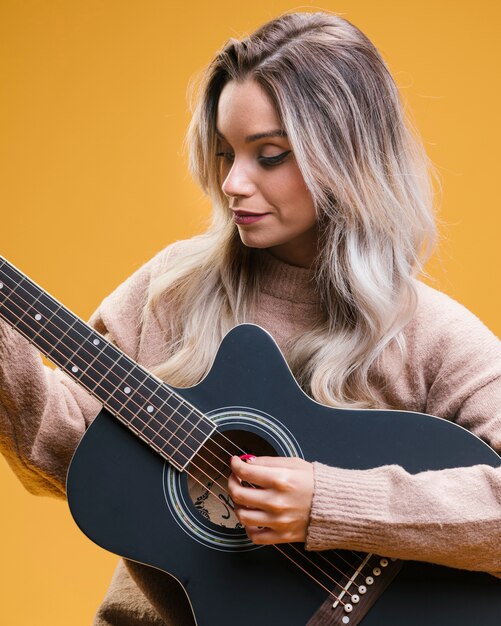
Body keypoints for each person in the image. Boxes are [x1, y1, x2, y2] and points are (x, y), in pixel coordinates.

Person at [1, 10, 500, 626]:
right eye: (223, 152)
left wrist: (331, 502)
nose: (233, 182)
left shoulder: (432, 336)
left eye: (269, 155)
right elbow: (65, 448)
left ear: (349, 156)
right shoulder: (172, 288)